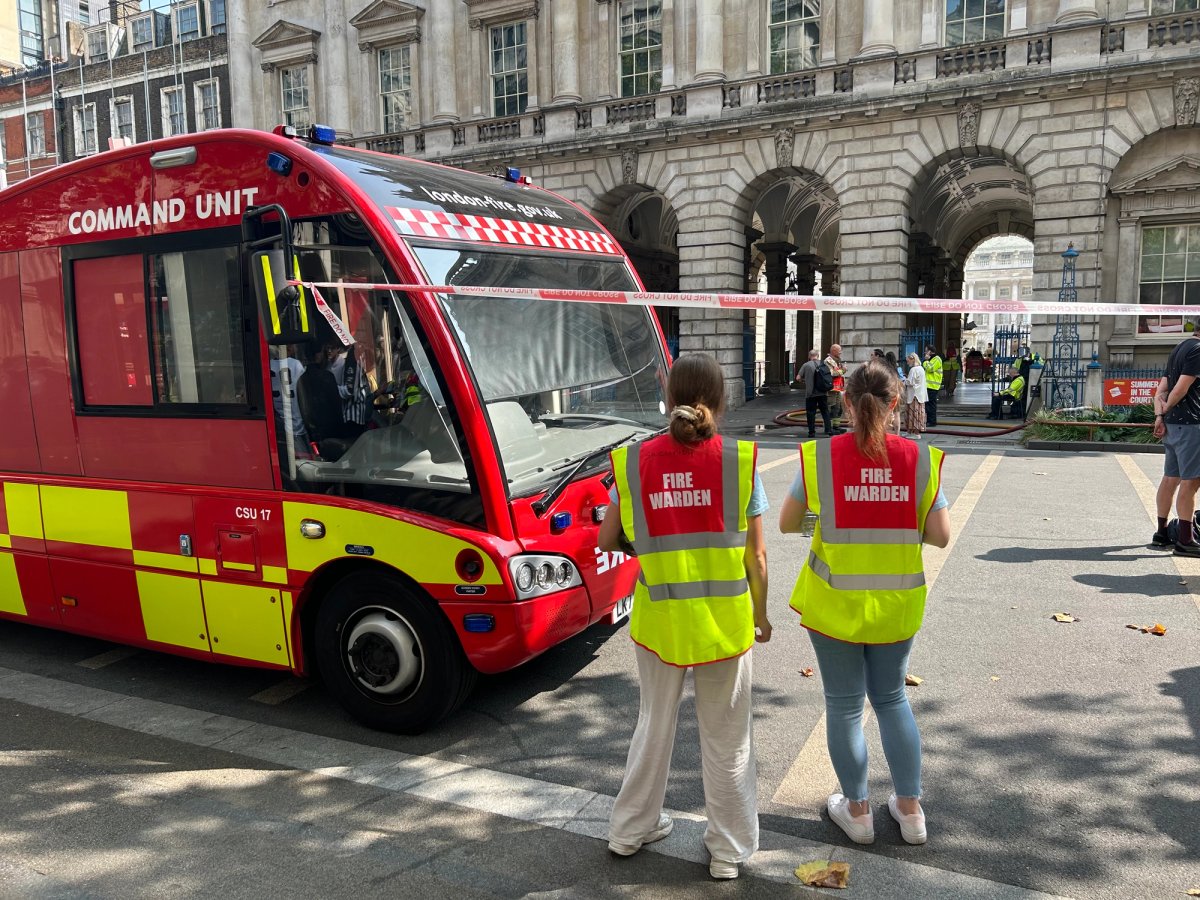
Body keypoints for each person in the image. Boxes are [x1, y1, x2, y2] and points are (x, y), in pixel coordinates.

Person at [601, 353, 771, 880]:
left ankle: (630, 830)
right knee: (727, 739)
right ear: (720, 400)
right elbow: (757, 558)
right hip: (724, 624)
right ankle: (727, 850)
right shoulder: (738, 462)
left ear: (669, 395)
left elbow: (609, 539)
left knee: (653, 726)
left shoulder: (633, 462)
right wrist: (762, 617)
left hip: (660, 623)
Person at [779, 359, 951, 848]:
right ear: (896, 404)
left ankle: (857, 811)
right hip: (897, 604)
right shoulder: (919, 459)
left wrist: (826, 524)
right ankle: (911, 811)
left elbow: (789, 524)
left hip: (833, 606)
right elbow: (939, 536)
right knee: (893, 699)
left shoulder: (821, 457)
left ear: (845, 402)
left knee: (845, 706)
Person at [1151, 326, 1200, 556]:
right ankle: (1185, 540)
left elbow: (1161, 390)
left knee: (1171, 478)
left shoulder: (1179, 348)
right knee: (1191, 482)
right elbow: (1180, 389)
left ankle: (1161, 533)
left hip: (1173, 425)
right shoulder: (1198, 350)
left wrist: (1161, 416)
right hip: (1191, 425)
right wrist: (1168, 408)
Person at [799, 349, 838, 438]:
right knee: (825, 411)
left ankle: (811, 432)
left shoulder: (806, 365)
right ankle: (828, 430)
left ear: (809, 356)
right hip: (822, 392)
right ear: (818, 355)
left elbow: (798, 377)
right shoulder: (823, 364)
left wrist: (804, 380)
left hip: (810, 393)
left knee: (810, 412)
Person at [904, 352, 928, 438]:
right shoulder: (921, 368)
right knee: (917, 414)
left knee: (913, 413)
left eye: (908, 361)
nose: (907, 363)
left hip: (914, 395)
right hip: (920, 395)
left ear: (912, 359)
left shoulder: (913, 370)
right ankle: (910, 431)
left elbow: (910, 382)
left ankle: (915, 433)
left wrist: (903, 380)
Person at [825, 344, 847, 425]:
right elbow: (832, 373)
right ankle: (829, 428)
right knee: (831, 408)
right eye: (839, 351)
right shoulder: (828, 361)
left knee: (838, 408)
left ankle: (836, 427)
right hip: (831, 390)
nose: (840, 353)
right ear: (834, 351)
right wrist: (843, 370)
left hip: (838, 389)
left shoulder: (836, 361)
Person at [922, 345, 943, 428]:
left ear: (930, 351)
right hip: (928, 385)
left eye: (926, 351)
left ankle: (932, 421)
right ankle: (928, 420)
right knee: (928, 404)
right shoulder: (932, 359)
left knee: (931, 404)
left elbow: (930, 369)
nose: (925, 352)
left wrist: (926, 361)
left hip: (933, 385)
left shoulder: (937, 359)